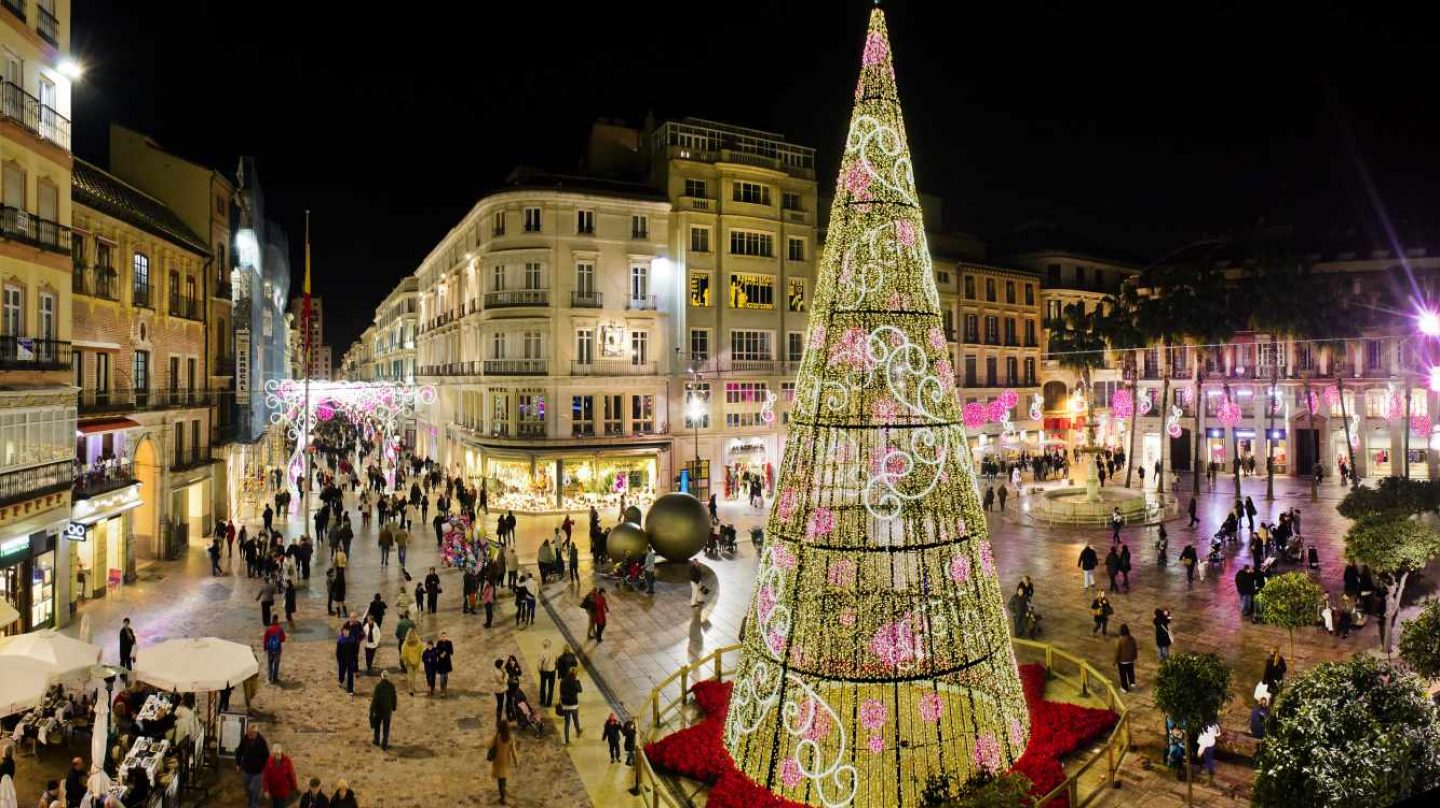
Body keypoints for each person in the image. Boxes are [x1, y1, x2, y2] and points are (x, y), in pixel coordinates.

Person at [236, 725, 269, 808]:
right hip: (246, 769)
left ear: (256, 733)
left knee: (255, 790)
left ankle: (253, 804)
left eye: (250, 733)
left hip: (257, 771)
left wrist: (264, 768)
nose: (248, 735)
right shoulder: (245, 738)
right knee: (246, 786)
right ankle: (251, 796)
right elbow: (239, 751)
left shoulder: (262, 742)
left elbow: (266, 756)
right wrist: (238, 763)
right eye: (248, 732)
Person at [488, 720, 520, 805]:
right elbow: (513, 752)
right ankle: (503, 793)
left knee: (500, 779)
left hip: (498, 761)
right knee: (504, 778)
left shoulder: (497, 737)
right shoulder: (510, 739)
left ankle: (502, 795)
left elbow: (490, 745)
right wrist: (516, 762)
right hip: (505, 762)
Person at [261, 743, 298, 808]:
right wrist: (266, 790)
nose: (276, 756)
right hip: (272, 791)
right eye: (274, 754)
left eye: (278, 754)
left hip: (283, 792)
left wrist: (294, 788)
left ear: (281, 753)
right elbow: (266, 777)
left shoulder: (287, 761)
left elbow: (291, 775)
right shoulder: (269, 761)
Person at [370, 670, 398, 750]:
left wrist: (372, 709)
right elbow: (394, 697)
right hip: (387, 709)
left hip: (379, 709)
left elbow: (375, 699)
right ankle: (384, 743)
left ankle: (376, 740)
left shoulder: (378, 686)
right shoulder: (391, 686)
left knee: (377, 725)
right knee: (386, 727)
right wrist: (394, 707)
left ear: (381, 677)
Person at [559, 668, 584, 743]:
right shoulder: (575, 682)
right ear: (575, 675)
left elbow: (561, 692)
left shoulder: (563, 681)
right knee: (575, 719)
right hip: (574, 705)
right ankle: (578, 731)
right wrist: (578, 680)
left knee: (567, 723)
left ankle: (567, 739)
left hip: (565, 705)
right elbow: (580, 690)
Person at [1114, 624, 1138, 692]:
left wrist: (1115, 661)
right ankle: (1132, 682)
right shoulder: (1132, 638)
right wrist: (1135, 656)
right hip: (1130, 659)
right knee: (1130, 671)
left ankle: (1125, 688)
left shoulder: (1120, 640)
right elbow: (1135, 648)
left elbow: (1117, 652)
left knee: (1123, 675)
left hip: (1123, 660)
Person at [263, 616, 286, 684]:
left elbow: (265, 640)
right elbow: (283, 639)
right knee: (276, 664)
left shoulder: (268, 629)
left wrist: (265, 648)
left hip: (270, 648)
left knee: (270, 663)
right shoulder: (280, 629)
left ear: (272, 620)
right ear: (277, 620)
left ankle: (270, 677)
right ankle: (275, 678)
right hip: (277, 649)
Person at [538, 638, 557, 707]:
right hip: (552, 671)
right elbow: (556, 661)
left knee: (543, 686)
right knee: (551, 687)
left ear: (543, 645)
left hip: (544, 671)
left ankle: (542, 701)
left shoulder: (542, 653)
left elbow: (539, 664)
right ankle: (549, 703)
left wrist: (540, 670)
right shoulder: (554, 652)